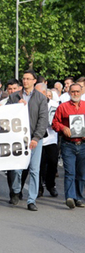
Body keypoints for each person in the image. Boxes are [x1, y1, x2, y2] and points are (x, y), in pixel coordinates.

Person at [7, 70, 48, 211]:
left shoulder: (41, 98)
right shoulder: (13, 97)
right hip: (19, 139)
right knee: (17, 169)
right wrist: (16, 106)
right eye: (24, 79)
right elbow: (5, 116)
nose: (25, 81)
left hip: (35, 139)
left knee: (34, 170)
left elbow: (43, 120)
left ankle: (32, 200)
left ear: (34, 81)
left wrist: (36, 138)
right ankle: (16, 189)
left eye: (28, 79)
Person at [52, 83, 85, 208]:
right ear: (69, 92)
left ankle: (78, 197)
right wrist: (63, 127)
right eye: (73, 92)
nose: (75, 94)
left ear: (81, 92)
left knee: (81, 173)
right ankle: (70, 197)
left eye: (77, 91)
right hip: (68, 144)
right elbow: (54, 123)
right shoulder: (63, 107)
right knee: (70, 172)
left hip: (83, 144)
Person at [35, 83, 59, 198]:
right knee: (39, 165)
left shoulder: (55, 105)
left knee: (53, 163)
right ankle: (39, 188)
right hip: (38, 139)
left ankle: (50, 185)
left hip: (51, 139)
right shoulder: (33, 103)